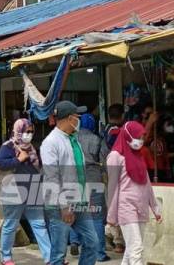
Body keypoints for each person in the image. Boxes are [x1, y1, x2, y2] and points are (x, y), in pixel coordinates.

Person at [40, 101, 98, 265]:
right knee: (59, 253)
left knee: (92, 242)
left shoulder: (73, 139)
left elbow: (79, 172)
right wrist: (64, 207)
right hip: (60, 205)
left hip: (79, 201)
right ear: (69, 118)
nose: (79, 120)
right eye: (77, 117)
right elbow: (52, 177)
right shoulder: (51, 143)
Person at [0, 118, 51, 265]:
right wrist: (18, 160)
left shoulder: (32, 148)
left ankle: (50, 257)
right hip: (14, 190)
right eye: (27, 131)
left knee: (39, 224)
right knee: (11, 224)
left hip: (32, 189)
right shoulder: (8, 146)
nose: (30, 134)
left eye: (32, 131)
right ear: (18, 131)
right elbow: (0, 163)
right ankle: (6, 257)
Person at [107, 121, 162, 265]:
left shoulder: (138, 155)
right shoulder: (115, 156)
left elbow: (147, 184)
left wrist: (155, 209)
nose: (141, 141)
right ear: (128, 135)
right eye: (139, 136)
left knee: (131, 249)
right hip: (126, 207)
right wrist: (111, 216)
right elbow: (112, 187)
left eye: (143, 137)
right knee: (136, 248)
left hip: (141, 206)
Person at [68, 114, 111, 262]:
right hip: (93, 179)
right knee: (97, 217)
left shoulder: (71, 139)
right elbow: (105, 160)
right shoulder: (97, 139)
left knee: (75, 213)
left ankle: (74, 241)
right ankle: (99, 253)